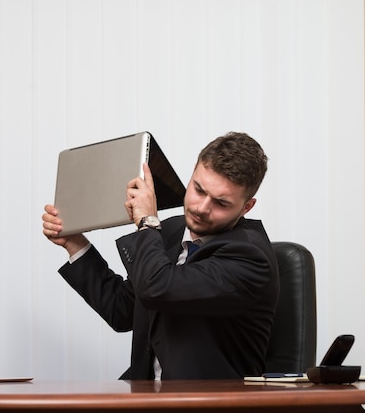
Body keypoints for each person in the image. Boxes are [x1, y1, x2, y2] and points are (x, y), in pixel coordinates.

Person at [42, 132, 279, 380]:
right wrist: (74, 243)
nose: (201, 208)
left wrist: (147, 222)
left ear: (246, 207)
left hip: (209, 404)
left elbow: (157, 287)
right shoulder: (171, 232)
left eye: (220, 203)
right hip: (149, 398)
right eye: (198, 189)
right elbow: (121, 311)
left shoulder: (250, 257)